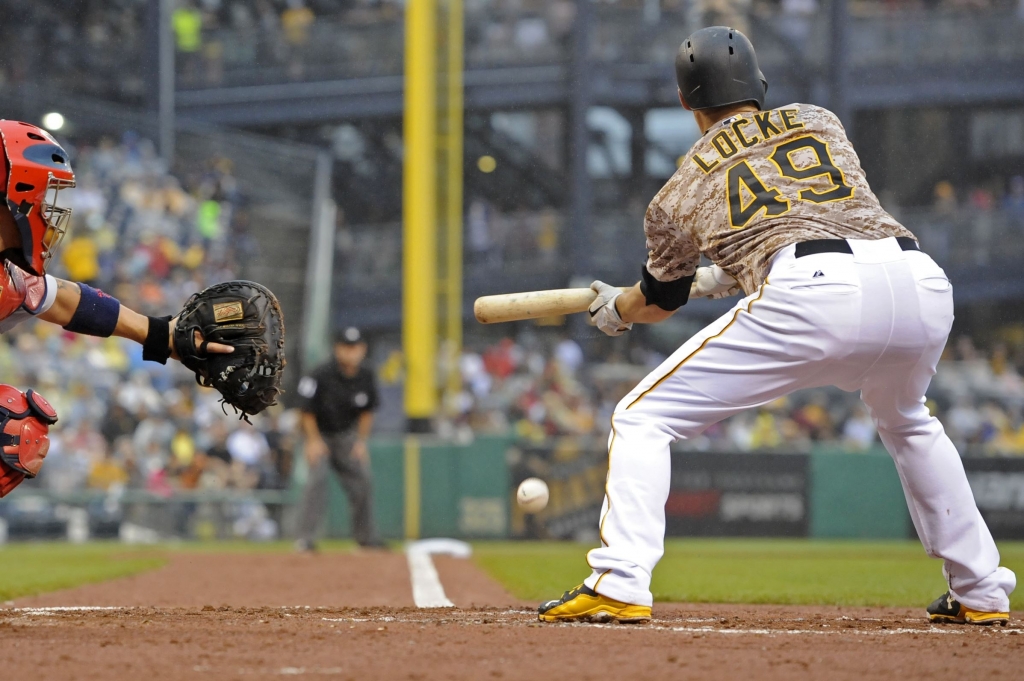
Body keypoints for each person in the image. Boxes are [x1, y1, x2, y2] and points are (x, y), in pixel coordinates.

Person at [537, 27, 1015, 626]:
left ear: (687, 103)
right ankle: (980, 590)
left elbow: (662, 299)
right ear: (758, 86)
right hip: (915, 278)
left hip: (811, 290)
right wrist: (741, 267)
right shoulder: (820, 120)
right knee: (909, 420)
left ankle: (619, 579)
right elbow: (805, 209)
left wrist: (616, 309)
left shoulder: (677, 189)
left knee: (642, 416)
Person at [0, 119, 234, 497]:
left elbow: (62, 298)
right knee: (13, 424)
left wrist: (163, 335)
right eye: (43, 196)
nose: (47, 212)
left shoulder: (8, 277)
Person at [295, 327, 383, 551]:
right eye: (346, 347)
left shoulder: (366, 375)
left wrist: (361, 442)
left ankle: (366, 539)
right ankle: (305, 539)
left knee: (363, 481)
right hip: (320, 435)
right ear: (337, 349)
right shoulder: (319, 373)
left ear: (362, 349)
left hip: (346, 436)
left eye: (355, 347)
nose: (351, 352)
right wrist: (312, 441)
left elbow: (367, 412)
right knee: (317, 481)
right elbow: (305, 410)